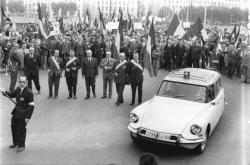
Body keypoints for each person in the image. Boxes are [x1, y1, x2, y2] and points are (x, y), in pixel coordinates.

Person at [1, 76, 34, 152]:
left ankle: (22, 145)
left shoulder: (29, 92)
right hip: (16, 112)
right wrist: (4, 92)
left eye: (23, 82)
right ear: (18, 82)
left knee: (21, 129)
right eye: (20, 82)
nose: (22, 83)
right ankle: (16, 142)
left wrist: (28, 117)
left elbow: (31, 106)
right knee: (14, 127)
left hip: (23, 114)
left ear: (26, 82)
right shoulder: (18, 89)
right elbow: (12, 94)